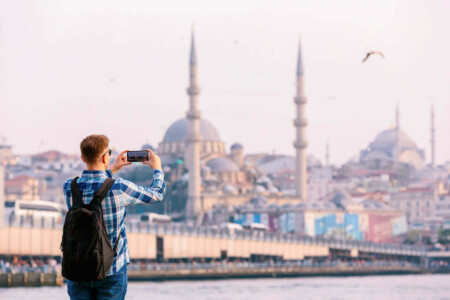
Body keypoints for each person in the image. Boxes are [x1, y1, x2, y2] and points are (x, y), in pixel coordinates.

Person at [63, 134, 166, 300]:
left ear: (82, 157)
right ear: (105, 157)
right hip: (111, 271)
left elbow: (94, 185)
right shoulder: (119, 187)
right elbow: (156, 194)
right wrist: (157, 169)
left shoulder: (69, 187)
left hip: (77, 269)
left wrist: (113, 169)